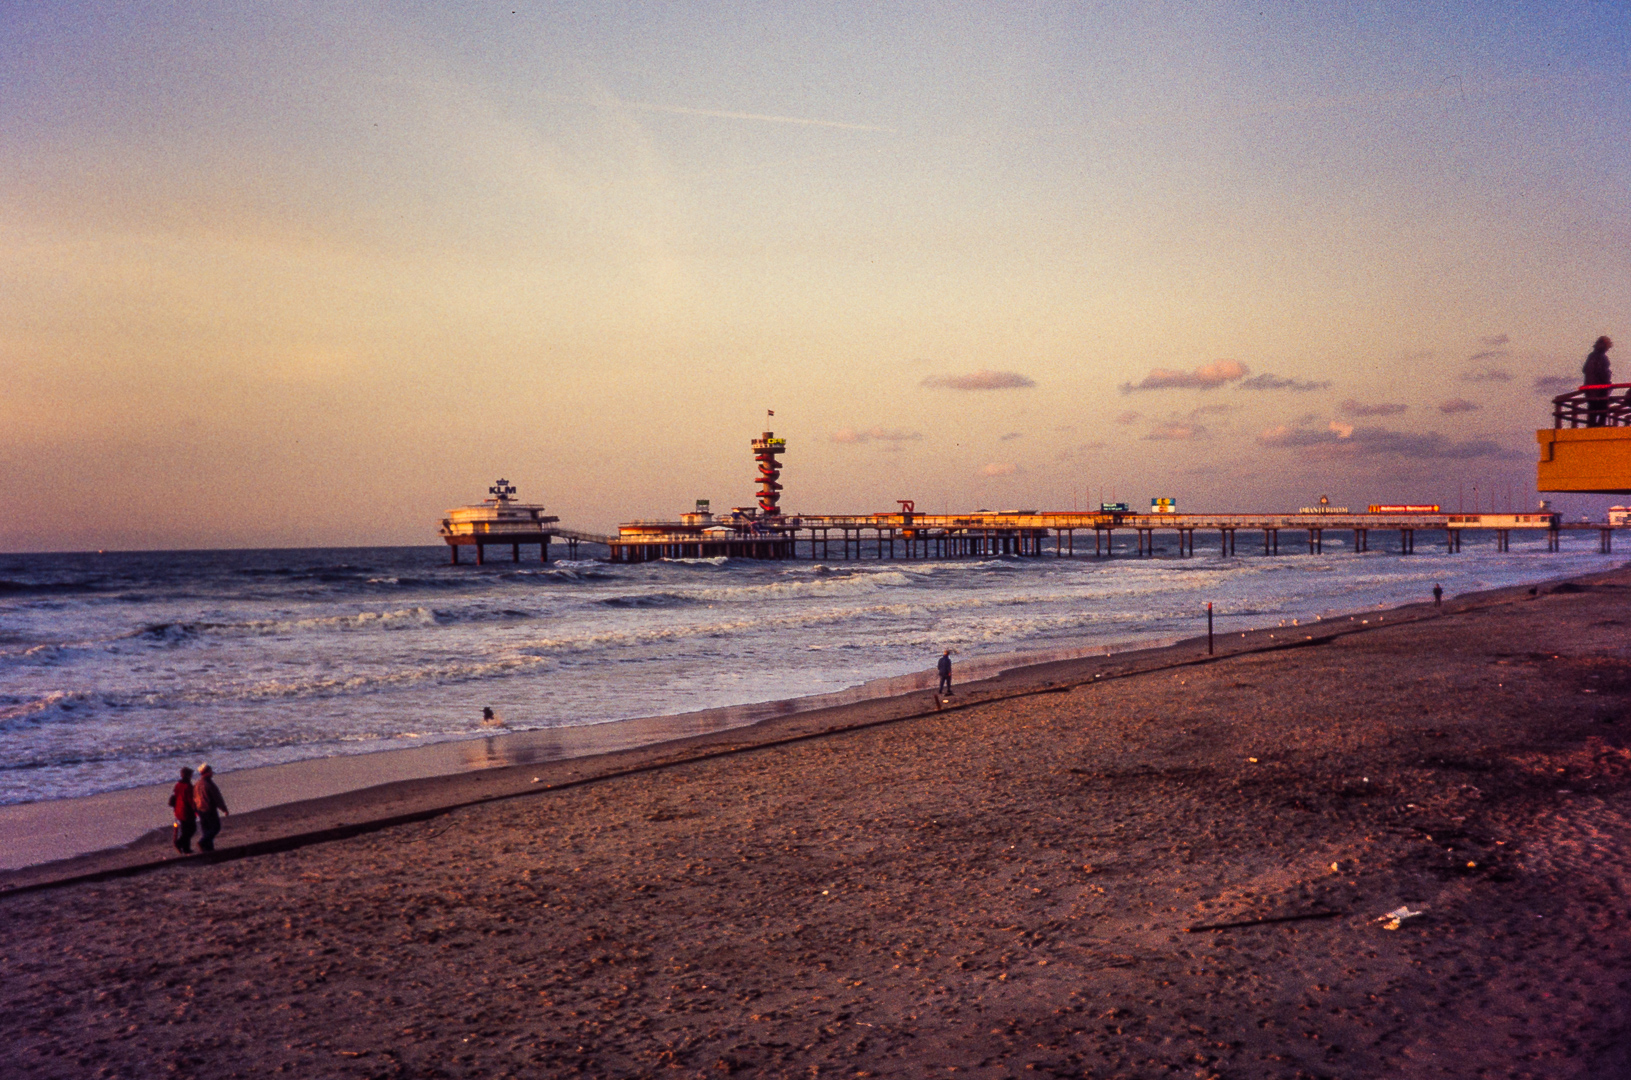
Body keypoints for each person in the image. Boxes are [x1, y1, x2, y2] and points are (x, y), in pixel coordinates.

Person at [193, 763, 228, 852]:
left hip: (200, 809)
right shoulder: (209, 784)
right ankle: (202, 842)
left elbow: (194, 798)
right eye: (211, 771)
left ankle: (208, 848)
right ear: (207, 772)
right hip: (209, 808)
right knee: (215, 827)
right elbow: (217, 797)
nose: (212, 773)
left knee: (206, 829)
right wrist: (224, 809)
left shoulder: (197, 784)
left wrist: (195, 809)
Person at [1583, 336, 1613, 427]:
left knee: (1592, 410)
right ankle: (1599, 427)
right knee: (1603, 409)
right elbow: (1602, 373)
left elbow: (1585, 370)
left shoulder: (1591, 357)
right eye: (1607, 346)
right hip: (1599, 390)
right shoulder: (1601, 357)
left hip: (1590, 390)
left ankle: (1592, 427)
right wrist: (1607, 383)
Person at [168, 767, 196, 855]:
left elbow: (175, 796)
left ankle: (186, 848)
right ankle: (179, 843)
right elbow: (190, 800)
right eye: (191, 774)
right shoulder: (188, 786)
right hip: (186, 811)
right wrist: (195, 810)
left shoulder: (178, 784)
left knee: (185, 830)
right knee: (191, 829)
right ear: (188, 775)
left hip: (178, 810)